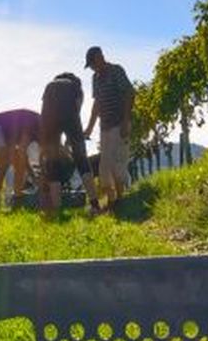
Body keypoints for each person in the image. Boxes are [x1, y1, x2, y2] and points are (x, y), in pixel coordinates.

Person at [38, 72, 103, 217]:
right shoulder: (75, 86)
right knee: (81, 159)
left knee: (52, 162)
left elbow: (45, 113)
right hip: (70, 116)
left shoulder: (50, 85)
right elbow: (76, 111)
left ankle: (57, 209)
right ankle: (95, 205)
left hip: (48, 118)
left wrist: (50, 144)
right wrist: (72, 138)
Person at [83, 46, 135, 211]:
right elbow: (96, 104)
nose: (92, 67)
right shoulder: (95, 78)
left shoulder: (116, 71)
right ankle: (112, 200)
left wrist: (126, 121)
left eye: (92, 63)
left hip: (119, 124)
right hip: (104, 127)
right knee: (104, 168)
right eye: (90, 65)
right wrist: (89, 128)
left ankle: (120, 200)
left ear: (100, 57)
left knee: (118, 165)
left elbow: (129, 94)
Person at [0, 108, 40, 211]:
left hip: (1, 131)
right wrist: (34, 178)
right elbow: (22, 154)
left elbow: (25, 155)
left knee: (7, 162)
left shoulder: (39, 127)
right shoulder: (35, 124)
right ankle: (16, 202)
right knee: (13, 161)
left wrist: (33, 176)